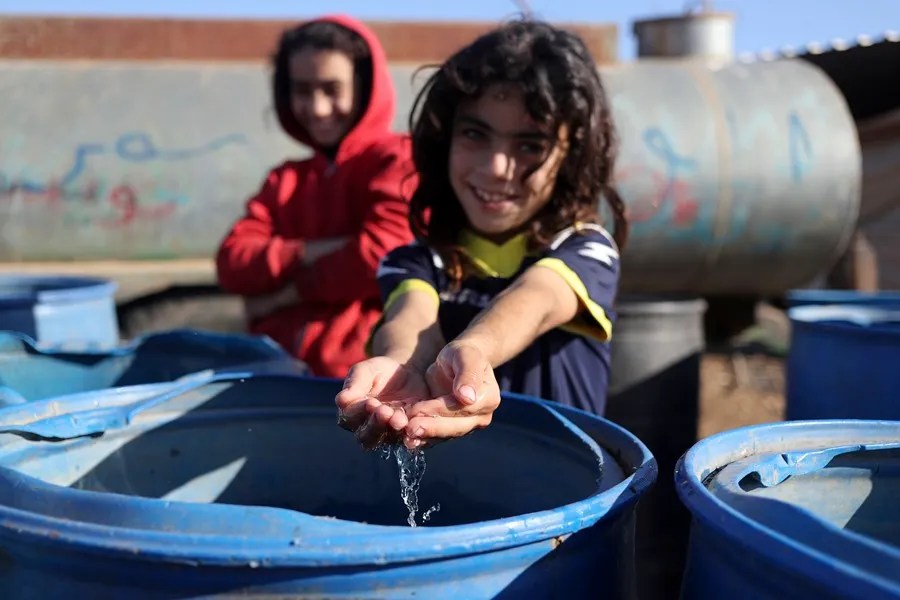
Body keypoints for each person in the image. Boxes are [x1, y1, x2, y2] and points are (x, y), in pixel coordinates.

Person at [335, 20, 629, 451]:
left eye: (529, 145)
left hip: (569, 497)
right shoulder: (413, 260)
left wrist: (472, 351)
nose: (496, 167)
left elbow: (537, 299)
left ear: (572, 157)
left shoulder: (586, 249)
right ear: (444, 137)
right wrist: (402, 368)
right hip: (463, 508)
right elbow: (412, 319)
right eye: (475, 134)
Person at [216, 15, 415, 377]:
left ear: (365, 86)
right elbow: (232, 262)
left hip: (364, 382)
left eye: (332, 89)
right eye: (303, 90)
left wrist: (286, 295)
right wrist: (309, 250)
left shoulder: (397, 159)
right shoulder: (285, 179)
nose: (318, 108)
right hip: (276, 376)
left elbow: (383, 256)